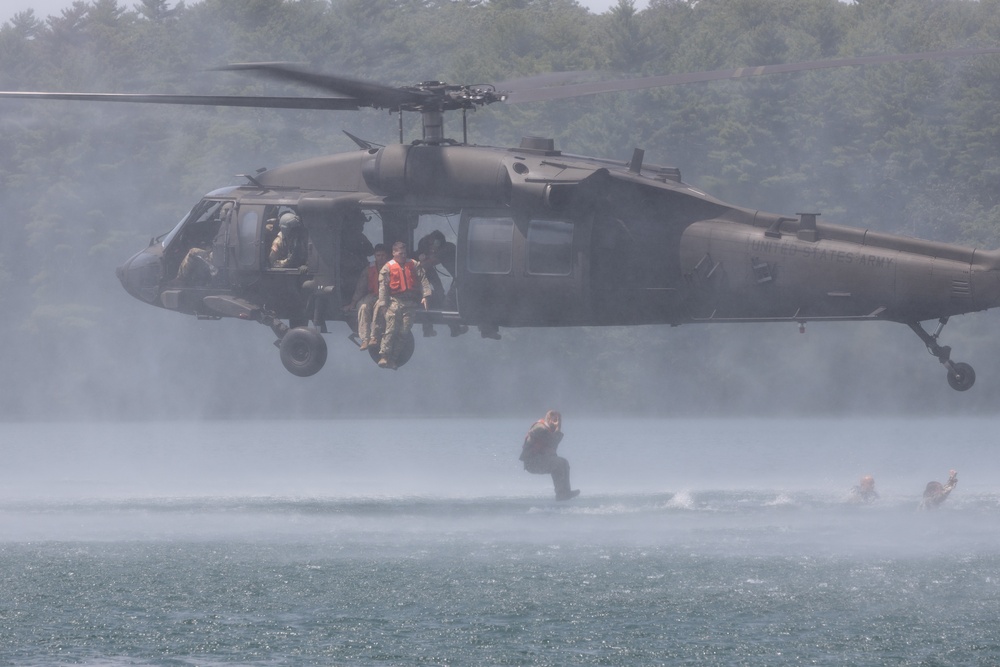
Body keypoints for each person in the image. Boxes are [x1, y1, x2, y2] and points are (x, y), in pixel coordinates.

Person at [376, 241, 432, 369]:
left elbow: (423, 280)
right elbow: (383, 287)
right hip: (395, 301)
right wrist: (383, 304)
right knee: (390, 328)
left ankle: (394, 358)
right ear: (394, 253)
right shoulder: (387, 267)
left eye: (404, 253)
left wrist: (425, 296)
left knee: (404, 331)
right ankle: (384, 355)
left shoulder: (414, 264)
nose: (402, 255)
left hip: (410, 303)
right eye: (400, 253)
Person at [416, 230, 468, 338]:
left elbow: (429, 264)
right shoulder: (448, 247)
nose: (431, 248)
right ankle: (455, 329)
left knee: (447, 304)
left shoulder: (445, 250)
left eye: (431, 244)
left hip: (461, 280)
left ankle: (455, 329)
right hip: (460, 279)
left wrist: (417, 263)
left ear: (437, 243)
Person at [519, 410, 579, 501]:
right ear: (549, 419)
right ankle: (562, 494)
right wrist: (558, 427)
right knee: (559, 463)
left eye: (559, 420)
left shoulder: (547, 429)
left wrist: (557, 427)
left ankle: (564, 493)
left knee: (563, 463)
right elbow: (553, 443)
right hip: (532, 463)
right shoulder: (540, 429)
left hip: (540, 460)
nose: (557, 422)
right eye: (555, 420)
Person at [343, 243, 389, 351]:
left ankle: (375, 337)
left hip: (387, 296)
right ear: (374, 256)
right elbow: (361, 287)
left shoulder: (392, 267)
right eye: (378, 255)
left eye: (383, 255)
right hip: (373, 295)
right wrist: (353, 303)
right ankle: (364, 339)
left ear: (386, 256)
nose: (380, 258)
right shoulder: (369, 269)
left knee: (378, 308)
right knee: (363, 307)